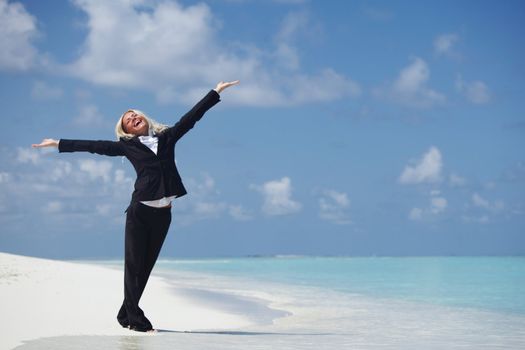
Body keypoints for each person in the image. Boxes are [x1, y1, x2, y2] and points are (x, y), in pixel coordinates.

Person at [32, 80, 240, 332]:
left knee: (145, 267)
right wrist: (58, 143)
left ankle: (124, 314)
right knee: (133, 266)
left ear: (144, 118)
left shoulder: (167, 137)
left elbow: (191, 118)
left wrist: (215, 92)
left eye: (134, 114)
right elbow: (94, 146)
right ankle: (137, 320)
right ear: (127, 131)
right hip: (140, 212)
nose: (133, 118)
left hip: (164, 215)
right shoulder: (126, 147)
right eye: (128, 120)